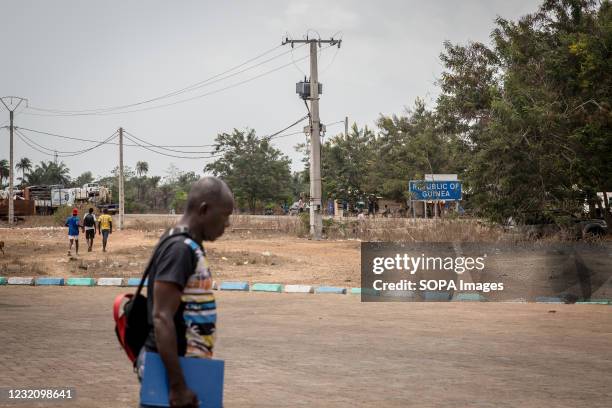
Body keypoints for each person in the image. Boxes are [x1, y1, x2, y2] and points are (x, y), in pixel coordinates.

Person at [137, 176, 234, 408]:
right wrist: (178, 386)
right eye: (225, 215)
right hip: (173, 374)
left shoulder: (186, 243)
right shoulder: (180, 249)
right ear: (204, 210)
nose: (227, 224)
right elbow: (161, 317)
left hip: (187, 368)